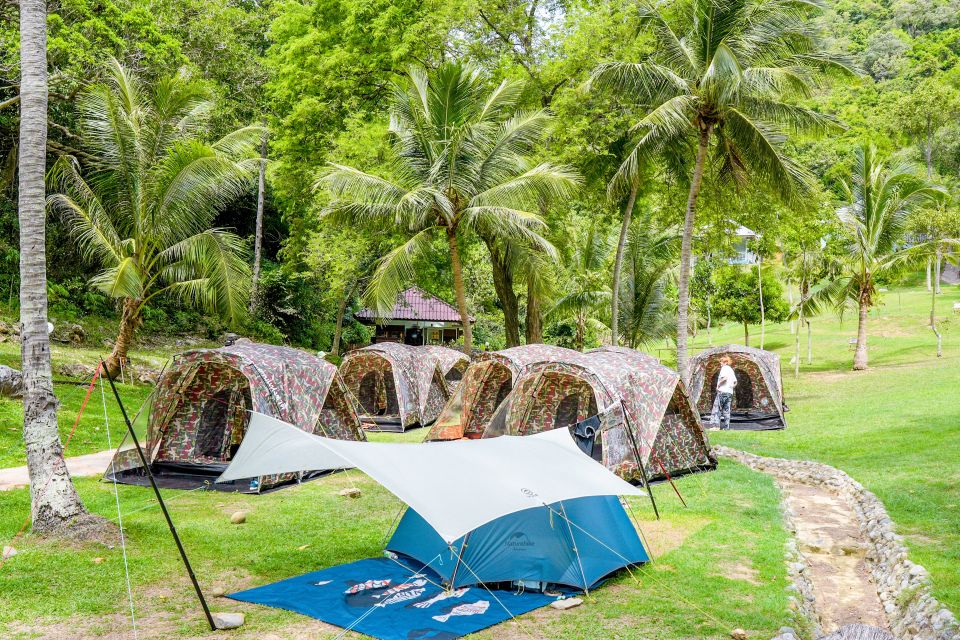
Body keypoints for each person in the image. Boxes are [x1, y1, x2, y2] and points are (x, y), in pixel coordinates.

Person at [716, 356, 737, 430]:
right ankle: (726, 428)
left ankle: (716, 427)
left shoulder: (724, 368)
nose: (720, 363)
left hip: (723, 391)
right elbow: (735, 382)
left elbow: (724, 378)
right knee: (726, 410)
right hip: (729, 392)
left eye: (721, 362)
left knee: (718, 409)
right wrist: (731, 387)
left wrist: (718, 385)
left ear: (725, 362)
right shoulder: (731, 370)